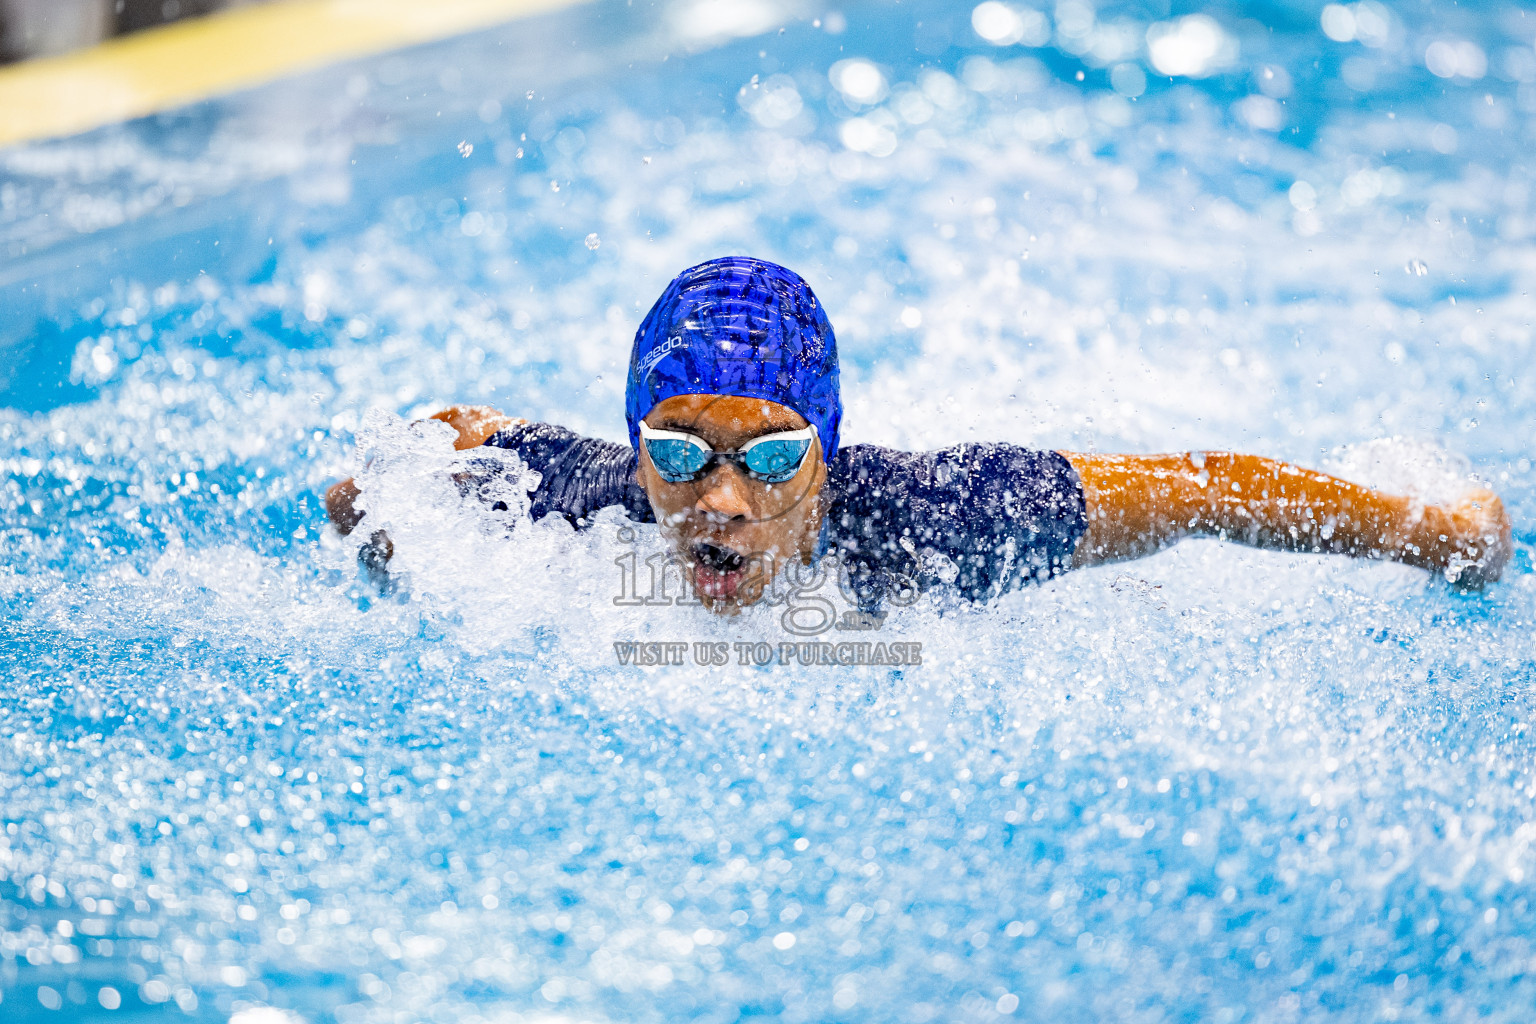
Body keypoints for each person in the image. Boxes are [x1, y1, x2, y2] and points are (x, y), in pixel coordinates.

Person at [326, 256, 1513, 613]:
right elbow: (440, 443)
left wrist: (1432, 529)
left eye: (773, 455)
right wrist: (379, 524)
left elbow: (1201, 485)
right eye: (681, 452)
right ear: (635, 444)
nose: (721, 503)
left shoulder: (947, 520)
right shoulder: (583, 502)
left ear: (828, 451)